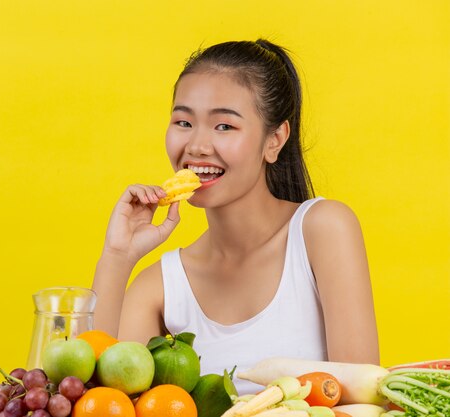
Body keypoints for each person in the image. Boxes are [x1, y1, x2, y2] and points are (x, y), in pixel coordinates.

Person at [91, 39, 379, 394]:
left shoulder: (323, 230)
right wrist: (117, 257)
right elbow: (99, 399)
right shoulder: (161, 286)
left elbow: (363, 398)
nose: (196, 146)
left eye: (224, 126)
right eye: (183, 122)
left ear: (274, 140)